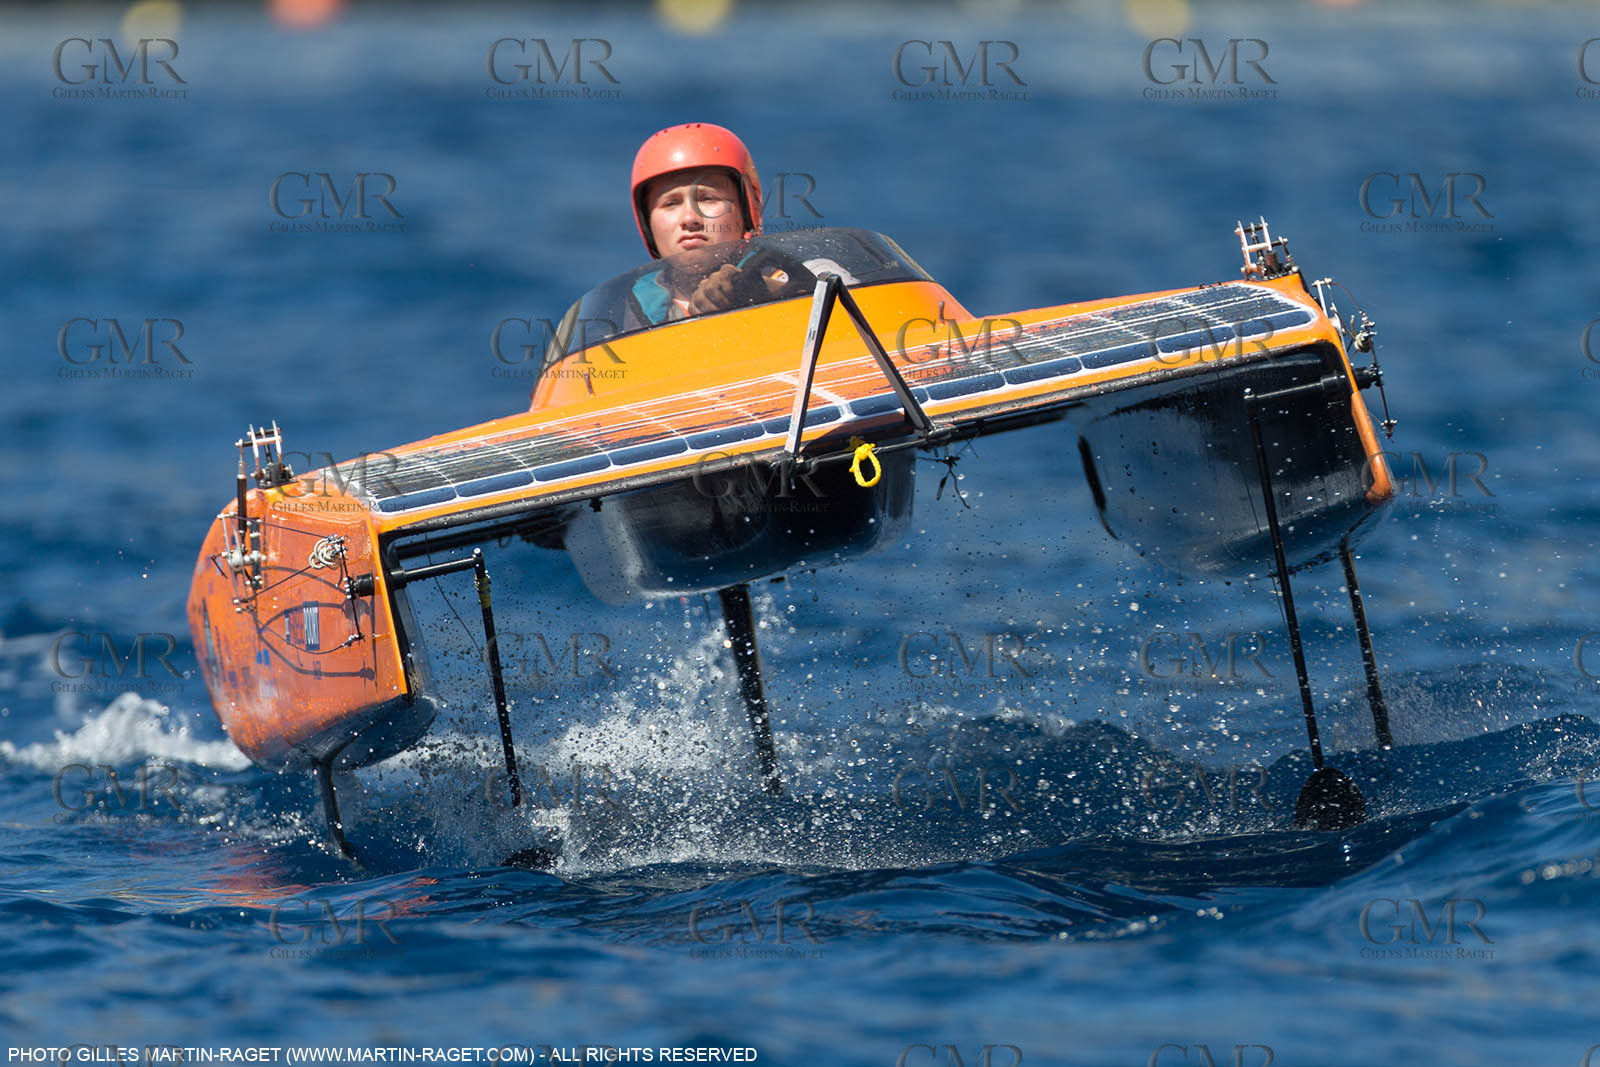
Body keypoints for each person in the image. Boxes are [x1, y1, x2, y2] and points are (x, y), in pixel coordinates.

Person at [628, 122, 812, 323]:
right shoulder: (622, 312)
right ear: (647, 224)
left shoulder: (806, 277)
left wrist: (759, 291)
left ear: (748, 209)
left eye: (707, 198)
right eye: (671, 203)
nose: (690, 219)